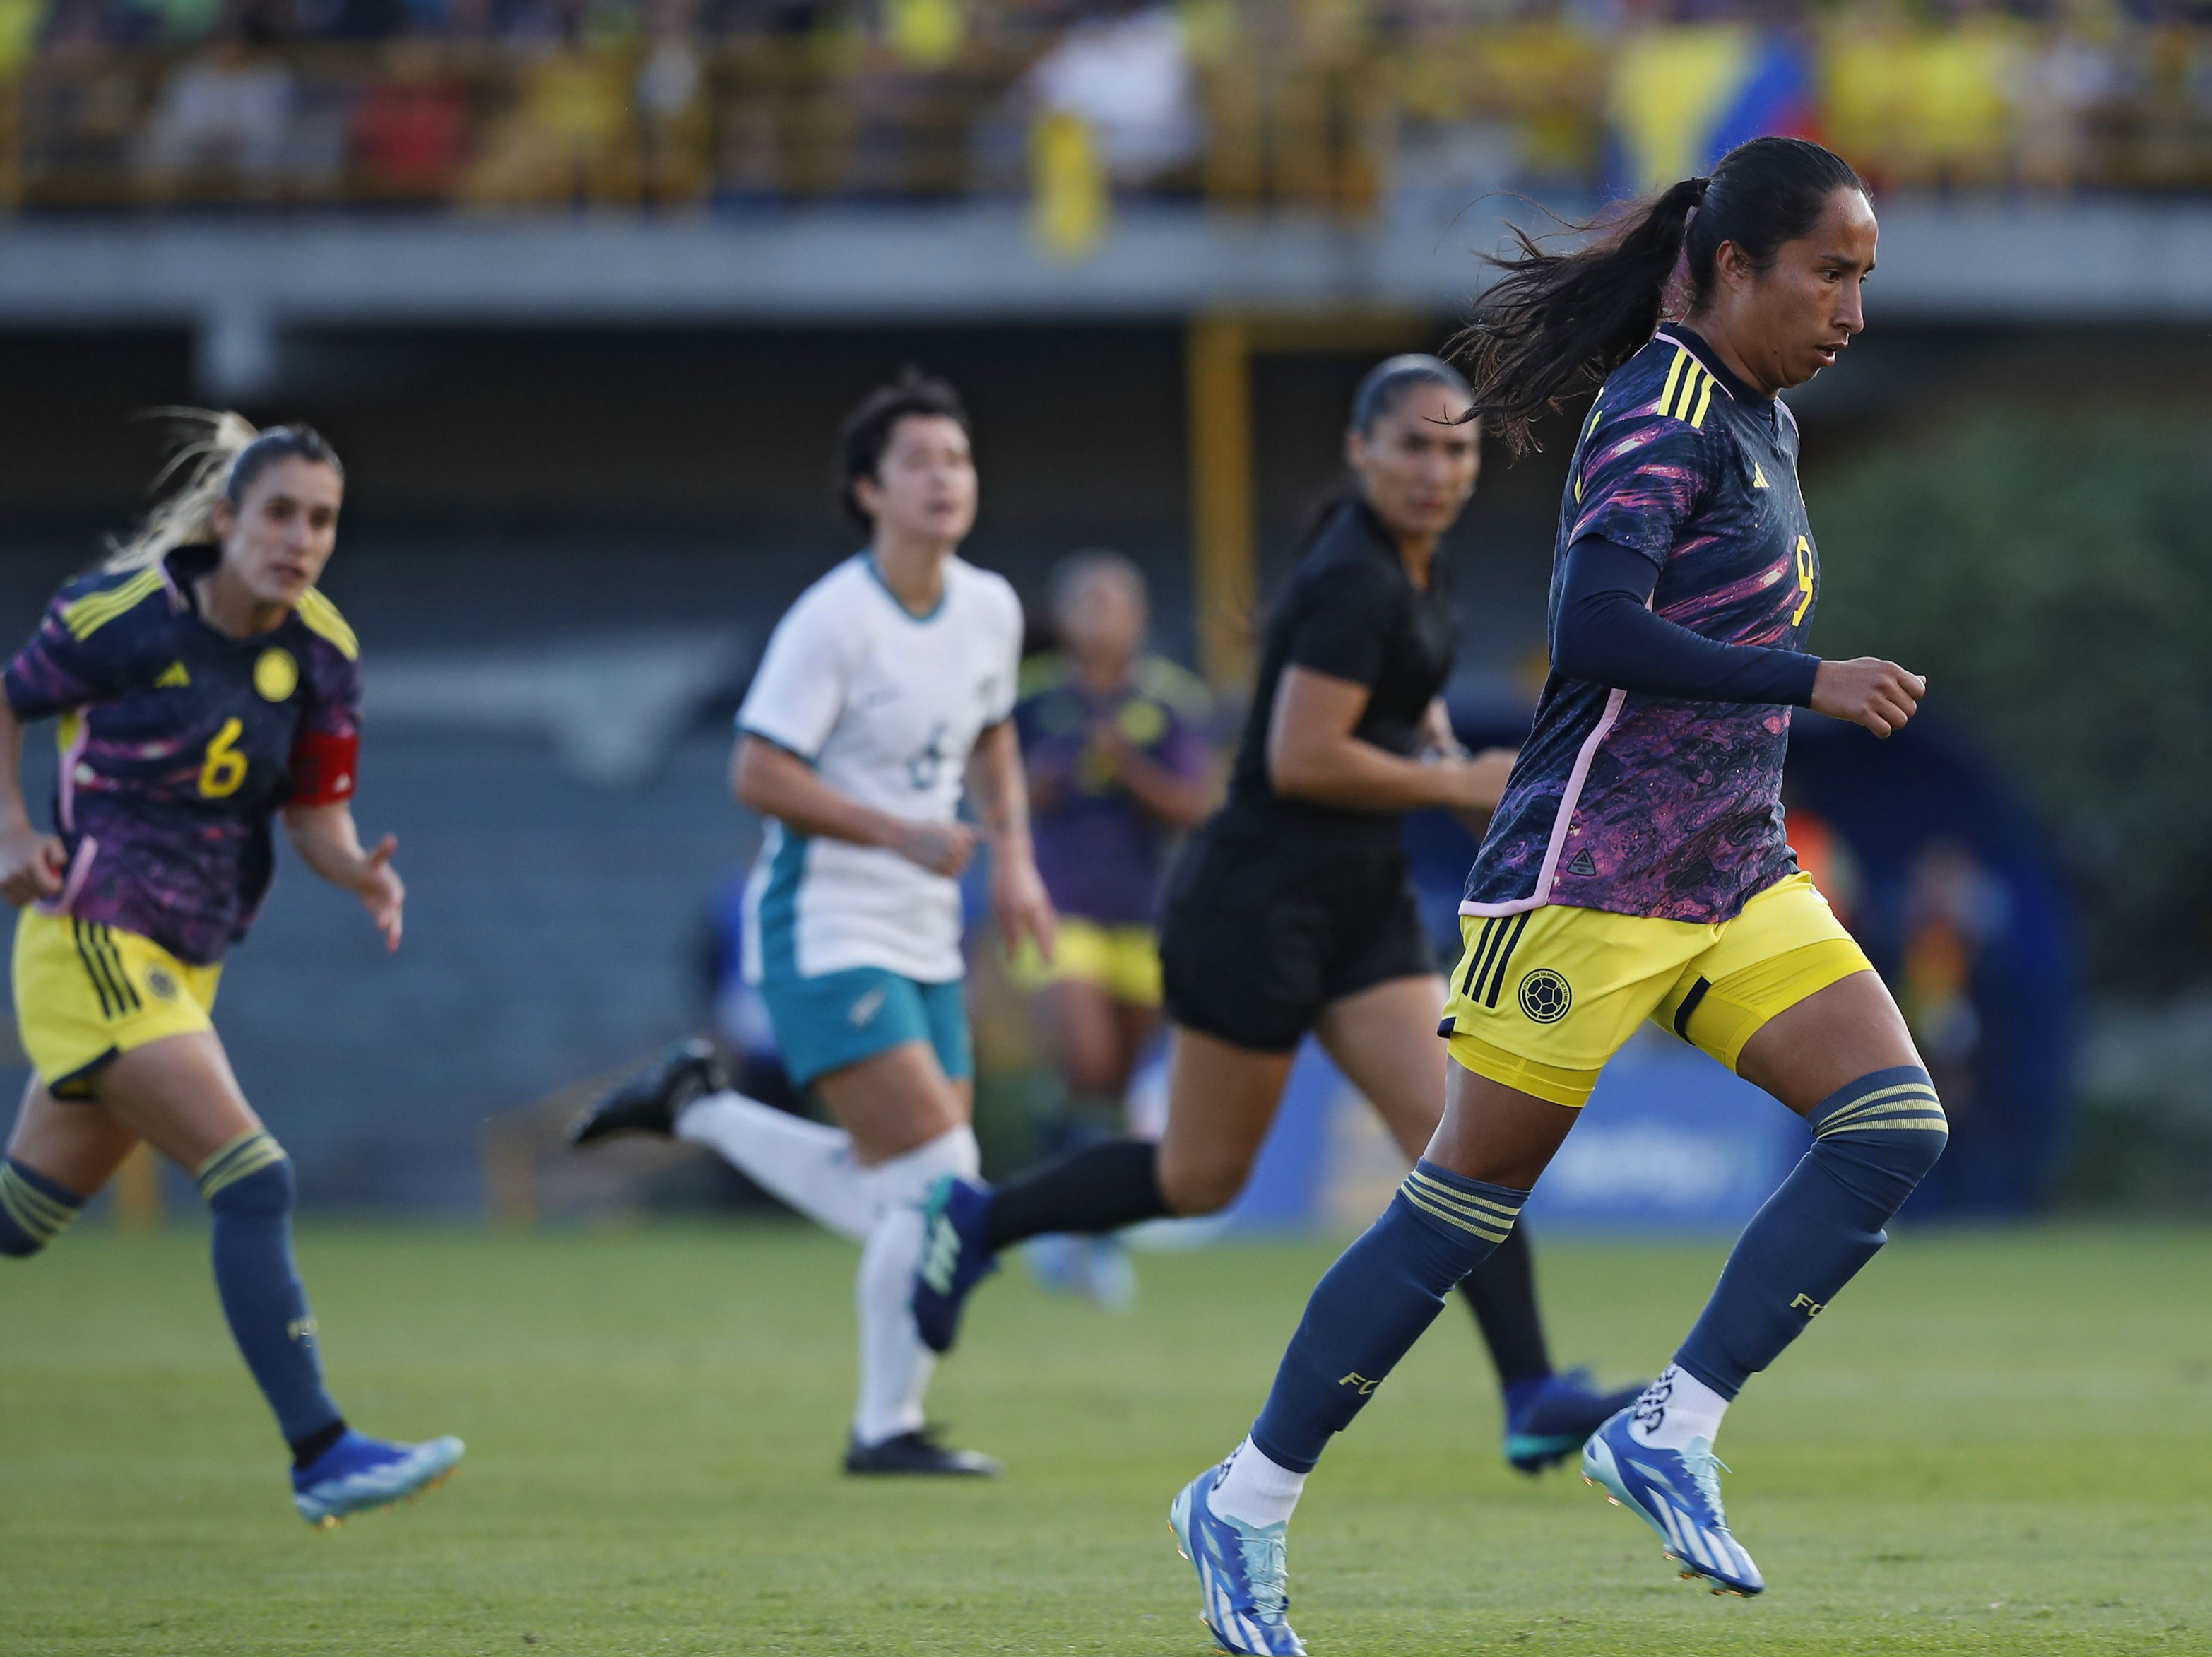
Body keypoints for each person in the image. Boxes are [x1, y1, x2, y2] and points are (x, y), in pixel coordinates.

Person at [1168, 136, 1943, 1657]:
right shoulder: (1657, 414)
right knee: (1457, 1212)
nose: (1850, 306)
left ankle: (1672, 1422)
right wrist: (1810, 677)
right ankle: (1244, 1497)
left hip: (1727, 868)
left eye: (1864, 276)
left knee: (1890, 1124)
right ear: (1731, 267)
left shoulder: (1763, 416)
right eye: (1827, 272)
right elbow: (1591, 629)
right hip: (1589, 881)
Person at [911, 355, 1644, 1474]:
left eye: (1455, 447)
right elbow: (1302, 757)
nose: (1437, 467)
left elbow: (1391, 695)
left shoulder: (1411, 566)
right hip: (1256, 906)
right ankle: (976, 1223)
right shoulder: (1355, 575)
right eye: (1412, 445)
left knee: (1466, 1145)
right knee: (1198, 1178)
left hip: (1356, 906)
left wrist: (1434, 739)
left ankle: (1532, 1391)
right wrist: (1453, 782)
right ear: (1360, 453)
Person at [0, 415, 464, 1528]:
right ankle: (322, 1451)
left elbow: (318, 817)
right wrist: (3, 831)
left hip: (187, 956)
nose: (302, 537)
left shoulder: (322, 652)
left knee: (14, 1214)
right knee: (253, 1176)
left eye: (322, 519)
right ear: (228, 518)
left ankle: (322, 1454)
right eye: (280, 512)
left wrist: (358, 875)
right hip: (91, 933)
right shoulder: (126, 620)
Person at [570, 370, 1055, 1478]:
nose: (945, 479)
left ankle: (884, 1424)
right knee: (943, 1173)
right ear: (867, 491)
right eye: (920, 462)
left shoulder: (988, 606)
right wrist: (892, 833)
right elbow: (755, 770)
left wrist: (1017, 859)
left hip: (927, 925)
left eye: (958, 459)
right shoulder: (832, 619)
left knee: (908, 1192)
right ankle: (881, 1417)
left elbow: (992, 733)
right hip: (823, 924)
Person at [1006, 550, 1212, 1309]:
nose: (1099, 615)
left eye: (1112, 601)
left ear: (1139, 618)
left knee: (1116, 1084)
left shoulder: (1168, 702)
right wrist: (1049, 780)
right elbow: (1002, 795)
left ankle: (1083, 1232)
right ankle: (1058, 1230)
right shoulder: (1031, 701)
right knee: (1085, 1054)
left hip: (1142, 913)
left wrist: (1127, 768)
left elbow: (1194, 806)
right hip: (1058, 908)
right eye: (1085, 601)